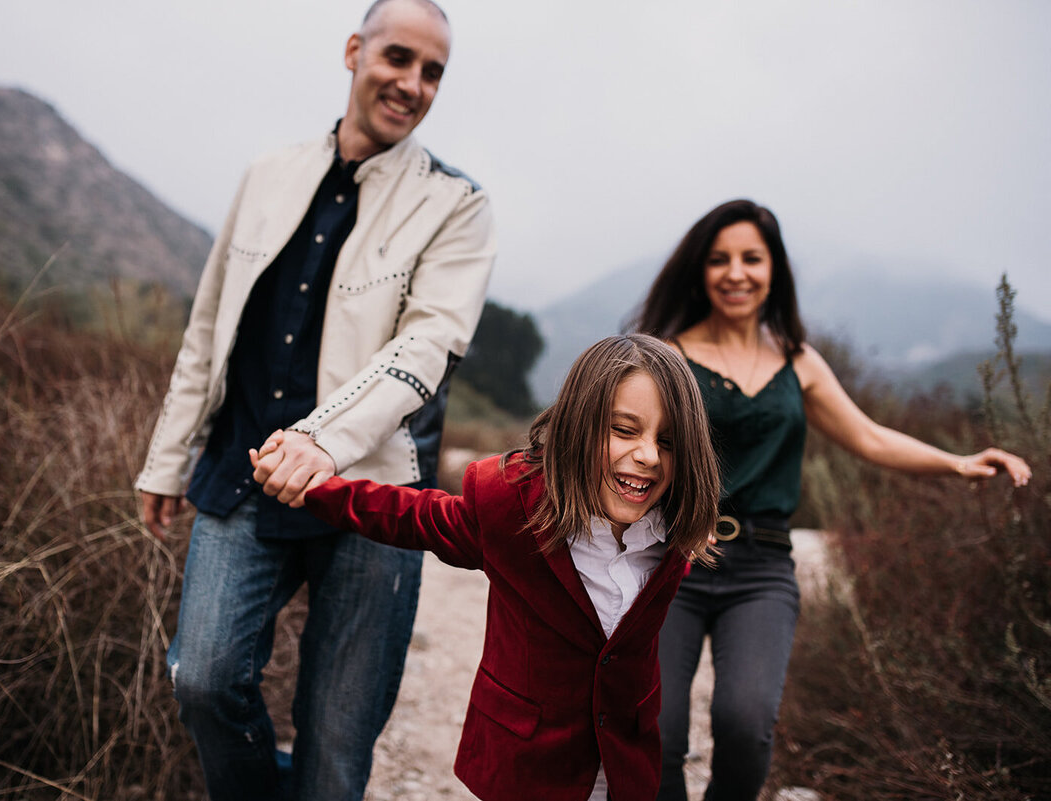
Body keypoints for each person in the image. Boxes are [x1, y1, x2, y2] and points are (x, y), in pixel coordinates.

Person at [133, 1, 496, 799]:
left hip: (376, 497)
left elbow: (425, 348)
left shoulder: (458, 205)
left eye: (433, 71)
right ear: (353, 51)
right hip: (244, 470)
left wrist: (323, 442)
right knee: (201, 678)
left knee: (336, 746)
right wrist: (166, 458)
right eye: (398, 58)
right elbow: (208, 325)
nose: (412, 83)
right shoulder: (267, 174)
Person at [629, 198, 1033, 801]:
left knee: (746, 726)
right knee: (657, 731)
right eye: (719, 260)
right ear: (699, 271)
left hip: (762, 570)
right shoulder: (668, 357)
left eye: (751, 258)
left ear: (774, 271)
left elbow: (868, 436)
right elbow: (634, 448)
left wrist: (959, 463)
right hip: (672, 560)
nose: (735, 272)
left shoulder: (800, 362)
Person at [253, 334, 723, 801]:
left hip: (623, 765)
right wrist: (313, 488)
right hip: (525, 766)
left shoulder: (674, 532)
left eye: (667, 441)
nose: (647, 455)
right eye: (624, 430)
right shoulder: (509, 509)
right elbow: (409, 517)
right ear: (579, 425)